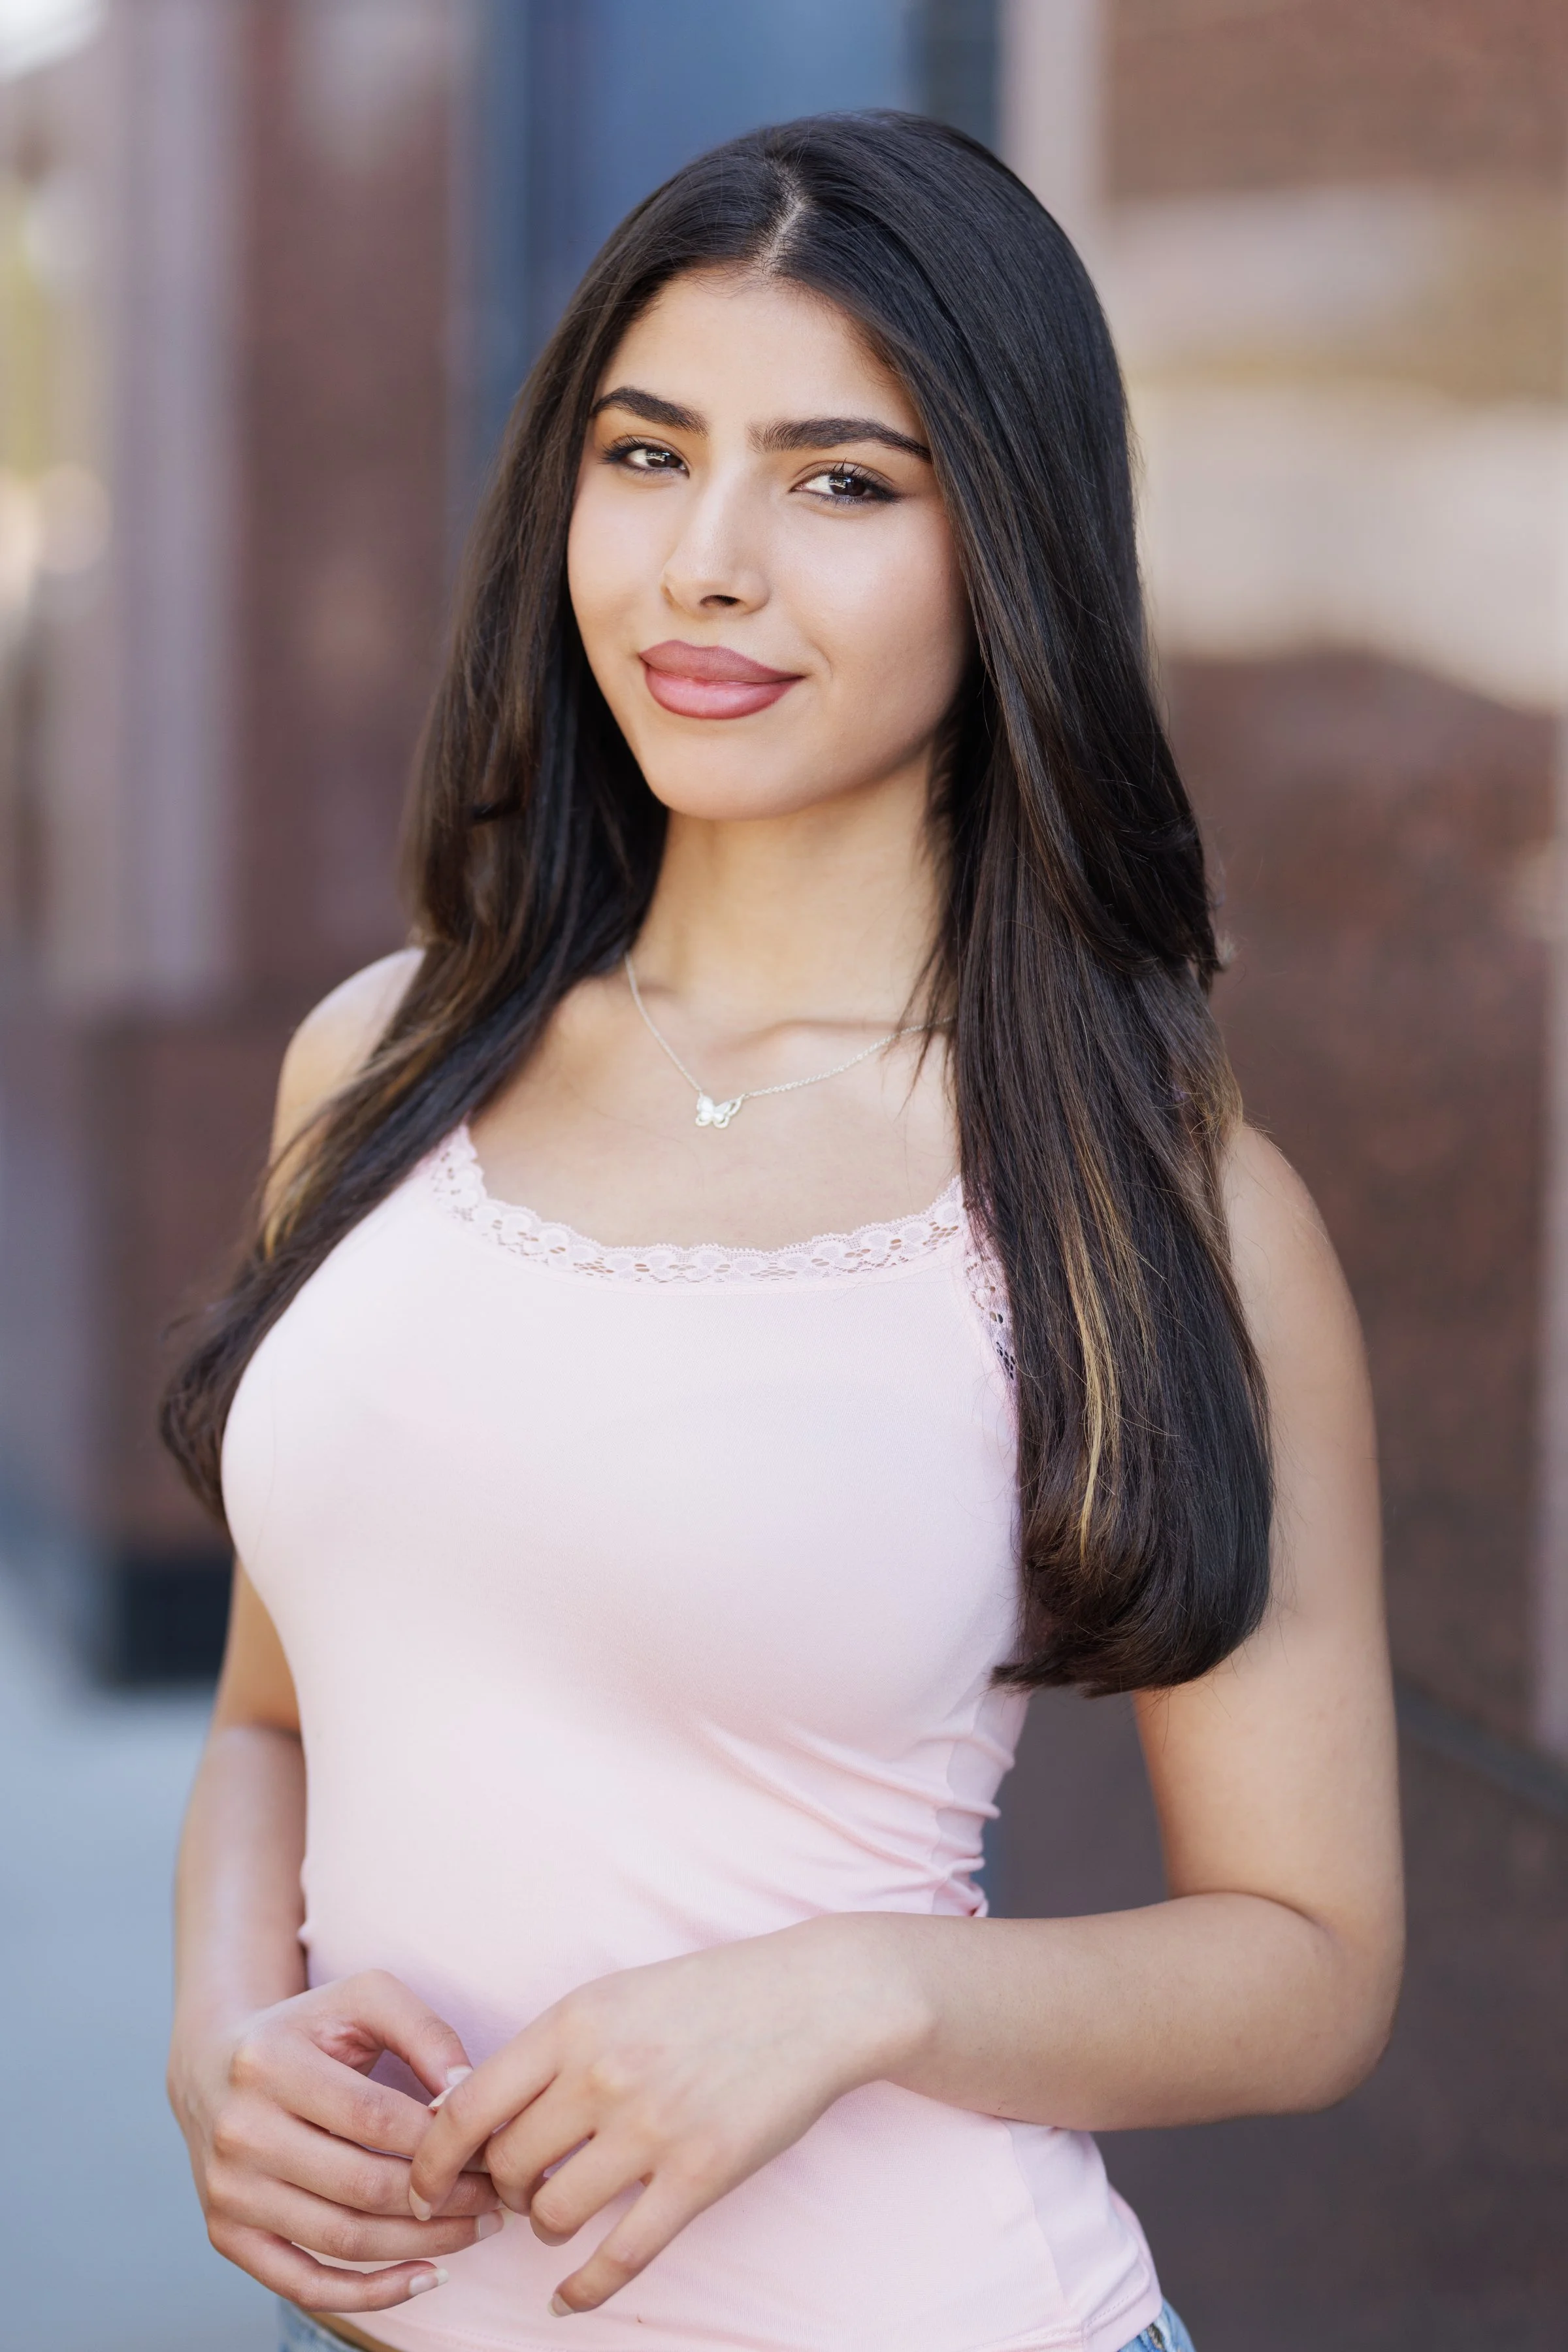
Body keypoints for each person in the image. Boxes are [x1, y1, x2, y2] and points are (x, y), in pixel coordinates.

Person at [162, 112, 1402, 2352]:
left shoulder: (1149, 1202)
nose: (704, 564)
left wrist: (858, 1997)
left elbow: (1308, 1964)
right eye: (647, 456)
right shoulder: (378, 1063)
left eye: (843, 481)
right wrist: (214, 2032)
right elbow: (275, 1718)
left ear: (1002, 544)